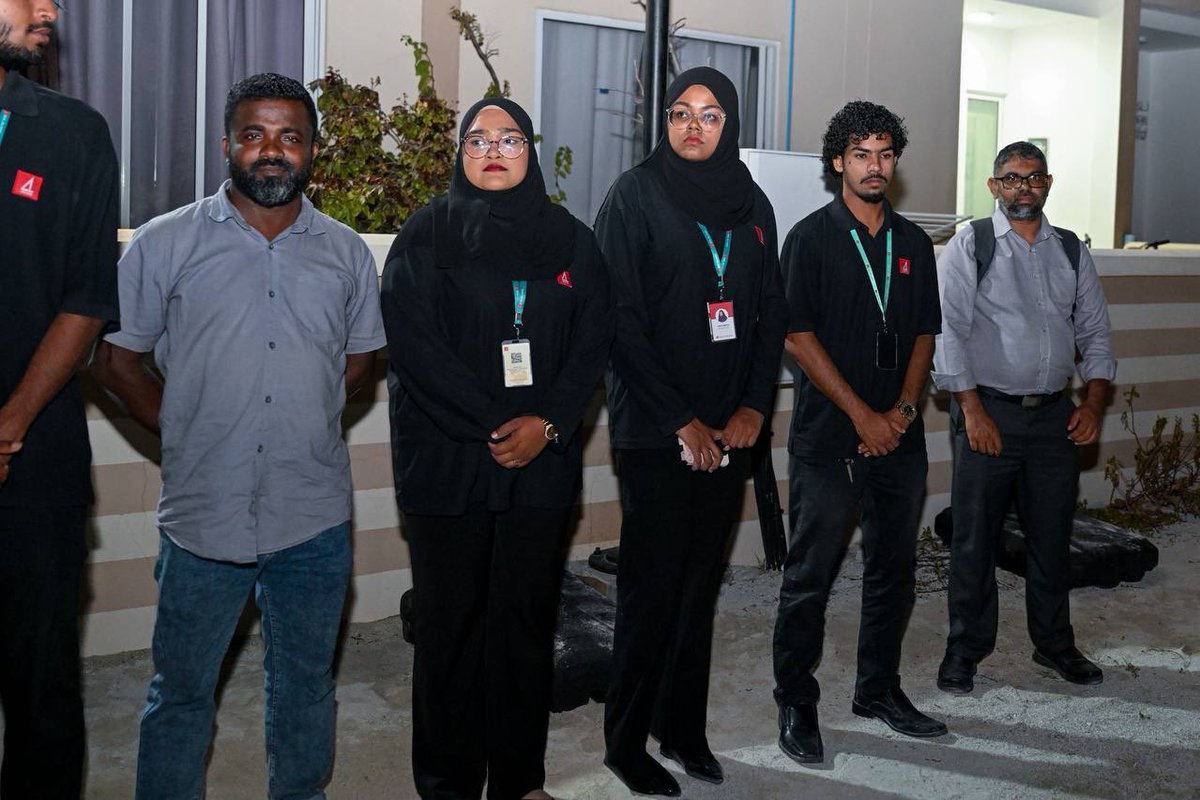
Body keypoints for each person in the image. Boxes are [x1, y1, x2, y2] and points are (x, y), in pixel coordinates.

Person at [92, 73, 385, 799]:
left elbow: (358, 361)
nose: (272, 151)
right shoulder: (166, 243)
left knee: (306, 687)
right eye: (254, 134)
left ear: (314, 149)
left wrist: (302, 405)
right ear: (227, 144)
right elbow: (115, 357)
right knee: (182, 692)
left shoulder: (347, 253)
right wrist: (177, 422)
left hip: (312, 519)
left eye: (290, 136)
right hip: (201, 517)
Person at [382, 96, 612, 800]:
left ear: (529, 151)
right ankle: (449, 785)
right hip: (448, 464)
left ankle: (517, 780)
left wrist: (546, 424)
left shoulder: (572, 242)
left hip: (540, 465)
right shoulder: (424, 237)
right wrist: (496, 424)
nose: (492, 151)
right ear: (460, 152)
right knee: (451, 632)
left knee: (523, 624)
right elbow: (417, 351)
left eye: (509, 139)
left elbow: (594, 341)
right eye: (477, 139)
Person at [596, 66, 788, 796]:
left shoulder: (754, 203)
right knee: (651, 588)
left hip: (730, 433)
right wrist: (683, 420)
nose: (693, 127)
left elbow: (769, 315)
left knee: (699, 586)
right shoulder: (635, 196)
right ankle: (624, 743)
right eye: (681, 113)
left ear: (730, 123)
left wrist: (750, 410)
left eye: (709, 115)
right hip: (657, 430)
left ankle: (682, 729)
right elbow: (620, 321)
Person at [772, 101, 947, 765]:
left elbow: (925, 331)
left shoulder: (912, 245)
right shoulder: (811, 239)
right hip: (830, 440)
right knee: (809, 578)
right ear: (838, 163)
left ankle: (878, 689)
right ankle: (796, 703)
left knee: (894, 572)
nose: (874, 166)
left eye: (885, 153)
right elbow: (797, 335)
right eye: (861, 154)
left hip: (899, 439)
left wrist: (902, 412)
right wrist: (862, 418)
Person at [932, 141, 1115, 694]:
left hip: (1055, 419)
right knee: (974, 540)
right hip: (989, 415)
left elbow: (1096, 333)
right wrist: (972, 411)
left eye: (1033, 179)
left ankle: (1055, 645)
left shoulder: (1070, 250)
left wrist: (1094, 404)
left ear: (1048, 183)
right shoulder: (972, 246)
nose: (1023, 188)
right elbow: (947, 333)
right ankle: (964, 650)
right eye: (1011, 179)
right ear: (993, 186)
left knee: (1051, 537)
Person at [0, 1, 120, 795]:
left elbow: (86, 300)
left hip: (33, 463)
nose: (47, 10)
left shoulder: (74, 132)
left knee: (41, 688)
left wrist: (7, 427)